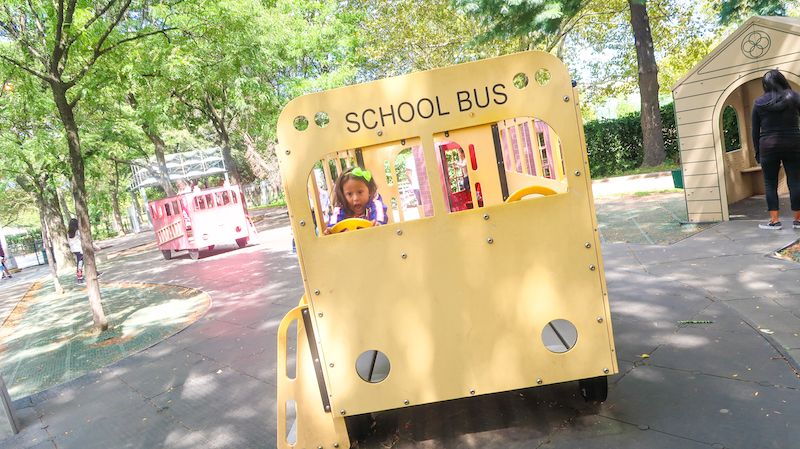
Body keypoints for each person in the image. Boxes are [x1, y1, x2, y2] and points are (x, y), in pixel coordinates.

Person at [751, 69, 800, 230]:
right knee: (795, 182)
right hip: (793, 144)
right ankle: (798, 221)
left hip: (768, 146)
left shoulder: (759, 103)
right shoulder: (794, 97)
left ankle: (774, 221)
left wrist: (757, 152)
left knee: (770, 184)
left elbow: (755, 130)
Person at [323, 167, 388, 235]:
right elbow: (333, 225)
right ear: (343, 195)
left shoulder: (375, 204)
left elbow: (380, 217)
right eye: (349, 194)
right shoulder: (341, 209)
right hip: (350, 244)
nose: (355, 198)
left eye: (360, 192)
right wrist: (330, 232)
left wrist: (379, 224)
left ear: (370, 190)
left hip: (373, 241)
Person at [68, 218, 101, 284]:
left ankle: (94, 272)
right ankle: (79, 278)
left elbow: (70, 242)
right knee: (81, 263)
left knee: (83, 262)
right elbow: (86, 240)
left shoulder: (68, 233)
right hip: (80, 250)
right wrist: (96, 246)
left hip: (74, 250)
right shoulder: (78, 232)